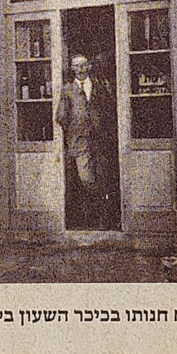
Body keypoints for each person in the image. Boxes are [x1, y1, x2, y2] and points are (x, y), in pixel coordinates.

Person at [55, 53, 117, 229]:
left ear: (89, 66)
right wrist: (75, 129)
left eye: (83, 65)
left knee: (104, 176)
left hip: (101, 140)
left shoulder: (99, 86)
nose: (80, 69)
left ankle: (103, 219)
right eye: (76, 66)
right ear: (72, 69)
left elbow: (110, 109)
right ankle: (92, 214)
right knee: (86, 178)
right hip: (80, 142)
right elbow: (61, 116)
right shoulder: (67, 90)